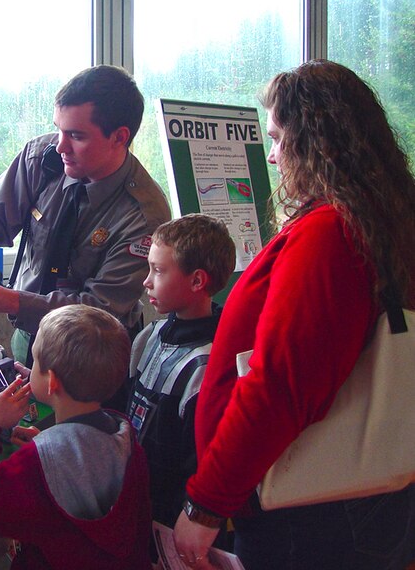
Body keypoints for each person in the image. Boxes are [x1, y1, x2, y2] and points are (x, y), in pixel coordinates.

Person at [172, 60, 415, 570]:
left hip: (315, 509)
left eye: (280, 138)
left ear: (315, 142)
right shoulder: (382, 219)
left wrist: (207, 501)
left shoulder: (331, 233)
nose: (274, 154)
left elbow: (280, 383)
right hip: (363, 498)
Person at [0, 65, 171, 363]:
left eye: (76, 135)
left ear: (119, 137)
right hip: (29, 339)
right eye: (58, 128)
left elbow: (99, 310)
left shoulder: (143, 215)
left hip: (93, 357)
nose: (60, 146)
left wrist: (8, 300)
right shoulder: (43, 157)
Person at [0, 304, 152, 570]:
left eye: (36, 362)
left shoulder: (36, 467)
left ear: (51, 382)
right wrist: (52, 443)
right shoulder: (128, 442)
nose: (29, 368)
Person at [123, 214, 235, 530]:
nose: (146, 281)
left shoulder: (208, 364)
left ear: (197, 281)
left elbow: (200, 462)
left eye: (158, 270)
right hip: (136, 498)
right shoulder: (148, 336)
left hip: (171, 518)